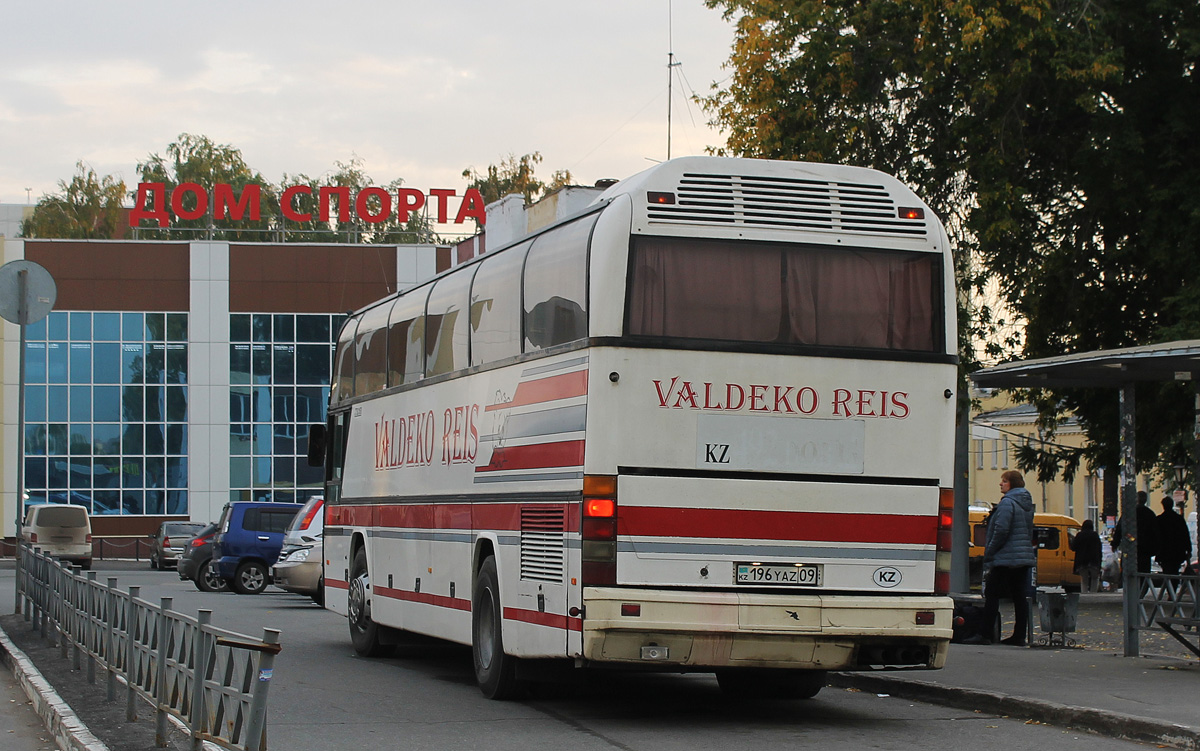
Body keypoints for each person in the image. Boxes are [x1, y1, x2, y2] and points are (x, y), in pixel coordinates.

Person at [965, 470, 1036, 646]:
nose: (1000, 484)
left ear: (1011, 484)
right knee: (1019, 597)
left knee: (992, 594)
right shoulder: (1026, 503)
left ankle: (985, 633)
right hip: (1023, 556)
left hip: (1005, 557)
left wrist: (990, 550)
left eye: (1004, 481)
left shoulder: (1007, 503)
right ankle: (1019, 635)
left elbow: (1001, 529)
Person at [1113, 491, 1159, 574]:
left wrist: (1115, 543)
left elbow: (1120, 528)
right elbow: (1155, 532)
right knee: (1144, 574)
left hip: (1129, 548)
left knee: (1128, 573)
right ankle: (1142, 587)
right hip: (1145, 550)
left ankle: (1130, 586)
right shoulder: (1150, 514)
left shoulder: (1129, 513)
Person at [1156, 496, 1192, 576]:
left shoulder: (1159, 520)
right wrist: (1188, 549)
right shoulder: (1179, 519)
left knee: (1166, 572)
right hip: (1177, 552)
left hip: (1164, 552)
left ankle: (1170, 588)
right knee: (1175, 572)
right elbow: (1185, 535)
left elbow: (1156, 537)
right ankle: (1173, 587)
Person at [1070, 519, 1103, 592]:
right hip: (1094, 561)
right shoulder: (1095, 535)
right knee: (1094, 578)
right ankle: (1093, 594)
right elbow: (1099, 549)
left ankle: (1084, 595)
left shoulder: (1079, 535)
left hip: (1081, 561)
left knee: (1084, 579)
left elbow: (1073, 547)